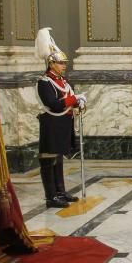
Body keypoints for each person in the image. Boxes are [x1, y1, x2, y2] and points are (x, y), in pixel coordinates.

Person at [34, 28, 86, 209]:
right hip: (51, 125)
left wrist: (79, 104)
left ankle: (60, 191)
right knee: (48, 160)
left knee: (58, 159)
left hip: (63, 124)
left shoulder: (62, 82)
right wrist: (74, 99)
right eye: (61, 63)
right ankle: (51, 196)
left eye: (64, 63)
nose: (64, 66)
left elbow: (67, 101)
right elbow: (53, 104)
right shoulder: (44, 82)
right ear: (51, 63)